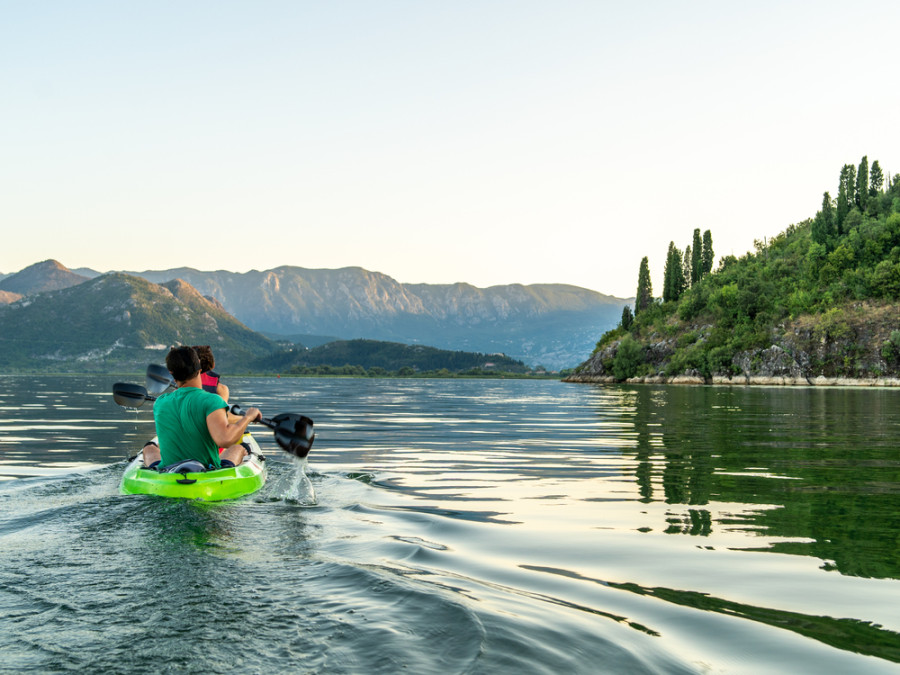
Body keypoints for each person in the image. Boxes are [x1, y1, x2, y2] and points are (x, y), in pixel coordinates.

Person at [142, 346, 260, 470]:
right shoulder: (213, 400)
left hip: (169, 470)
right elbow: (225, 440)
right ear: (199, 365)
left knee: (149, 447)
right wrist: (248, 417)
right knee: (238, 447)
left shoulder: (160, 403)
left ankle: (154, 468)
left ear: (171, 373)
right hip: (205, 470)